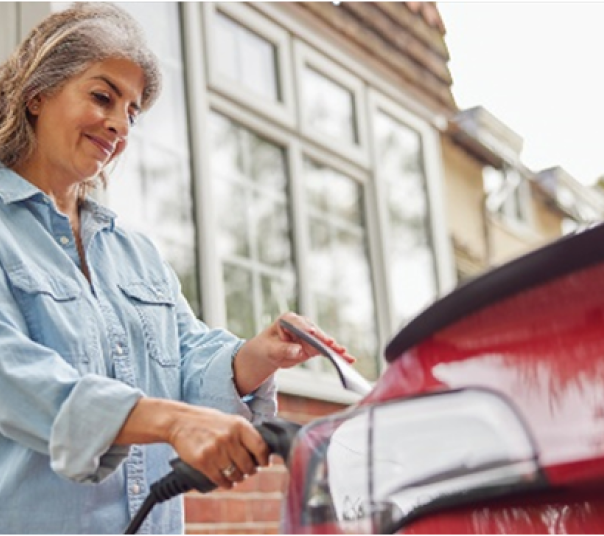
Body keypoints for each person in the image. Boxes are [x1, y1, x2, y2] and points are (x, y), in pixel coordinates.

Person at [0, 3, 356, 533]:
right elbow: (15, 377)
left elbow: (185, 357)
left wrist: (254, 357)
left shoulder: (133, 252)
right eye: (103, 96)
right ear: (38, 95)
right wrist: (172, 422)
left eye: (133, 111)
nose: (119, 124)